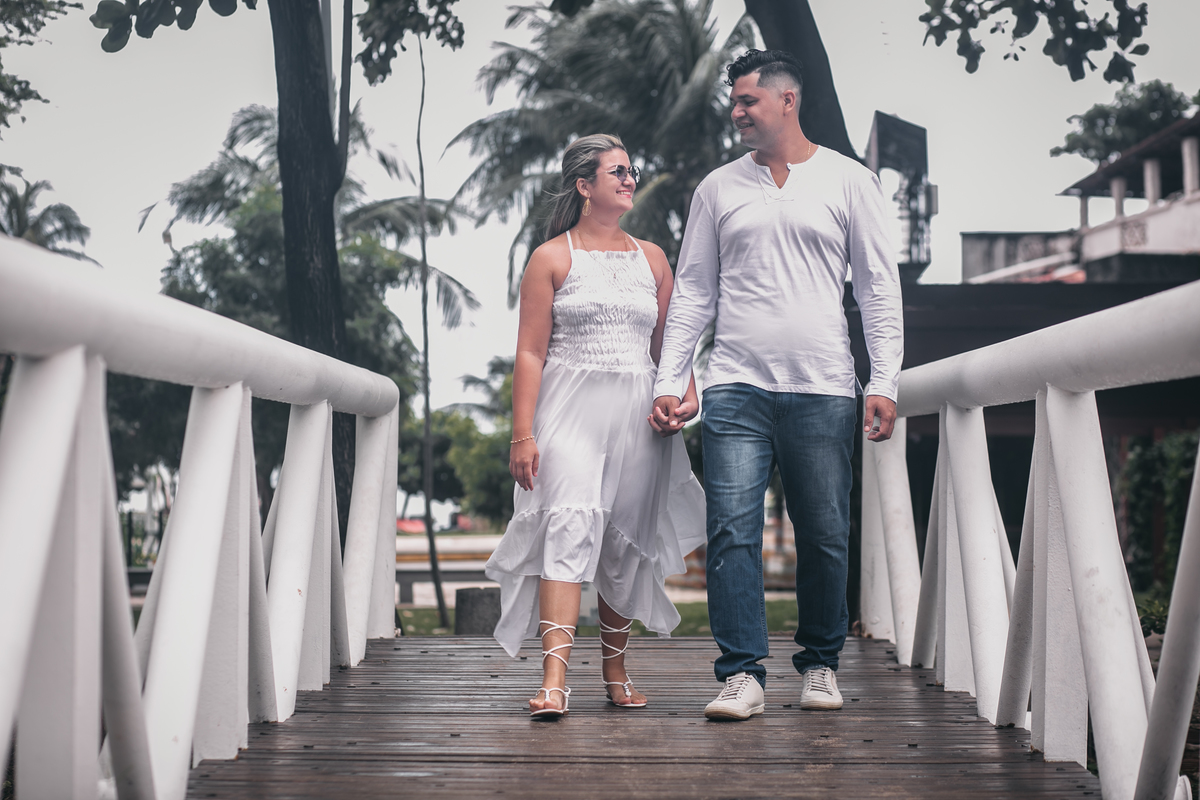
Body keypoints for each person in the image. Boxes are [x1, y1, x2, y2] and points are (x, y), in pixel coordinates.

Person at [649, 50, 904, 720]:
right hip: (735, 385)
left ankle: (820, 664)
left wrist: (884, 378)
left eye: (746, 102)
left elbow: (877, 288)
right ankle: (742, 675)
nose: (734, 113)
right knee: (731, 528)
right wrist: (672, 377)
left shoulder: (851, 182)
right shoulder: (717, 189)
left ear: (787, 100)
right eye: (733, 102)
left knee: (824, 531)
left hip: (823, 388)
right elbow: (696, 290)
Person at [485, 133, 706, 720]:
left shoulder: (654, 258)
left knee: (624, 540)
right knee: (567, 524)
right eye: (616, 171)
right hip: (569, 413)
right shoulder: (551, 257)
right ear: (585, 186)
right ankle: (554, 679)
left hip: (638, 418)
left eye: (631, 170)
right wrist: (522, 433)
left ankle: (615, 668)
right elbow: (530, 353)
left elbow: (672, 346)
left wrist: (686, 398)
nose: (629, 179)